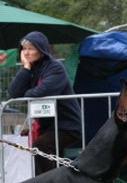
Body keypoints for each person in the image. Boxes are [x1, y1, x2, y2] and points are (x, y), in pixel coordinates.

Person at [8, 31, 82, 175]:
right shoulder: (31, 69)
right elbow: (13, 92)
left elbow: (42, 91)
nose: (26, 53)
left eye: (31, 49)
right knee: (54, 159)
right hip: (47, 126)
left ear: (41, 51)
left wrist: (25, 96)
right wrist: (26, 68)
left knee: (41, 146)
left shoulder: (55, 67)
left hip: (66, 125)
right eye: (24, 49)